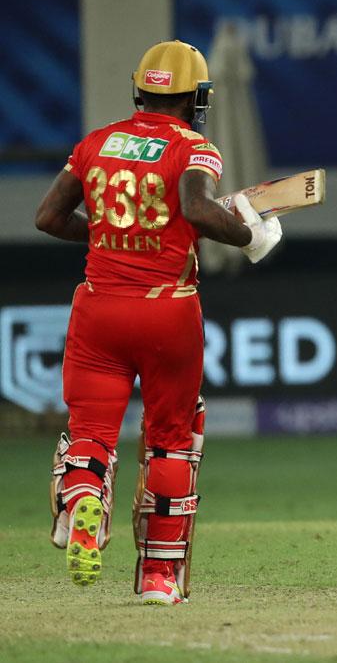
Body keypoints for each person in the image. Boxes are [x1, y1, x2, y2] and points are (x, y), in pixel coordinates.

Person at [34, 40, 282, 605]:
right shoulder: (196, 147)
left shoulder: (95, 144)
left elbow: (49, 217)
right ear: (195, 97)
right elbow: (196, 209)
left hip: (99, 308)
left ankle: (83, 507)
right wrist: (251, 236)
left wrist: (105, 235)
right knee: (172, 441)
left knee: (92, 433)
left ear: (140, 92)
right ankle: (159, 579)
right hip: (168, 309)